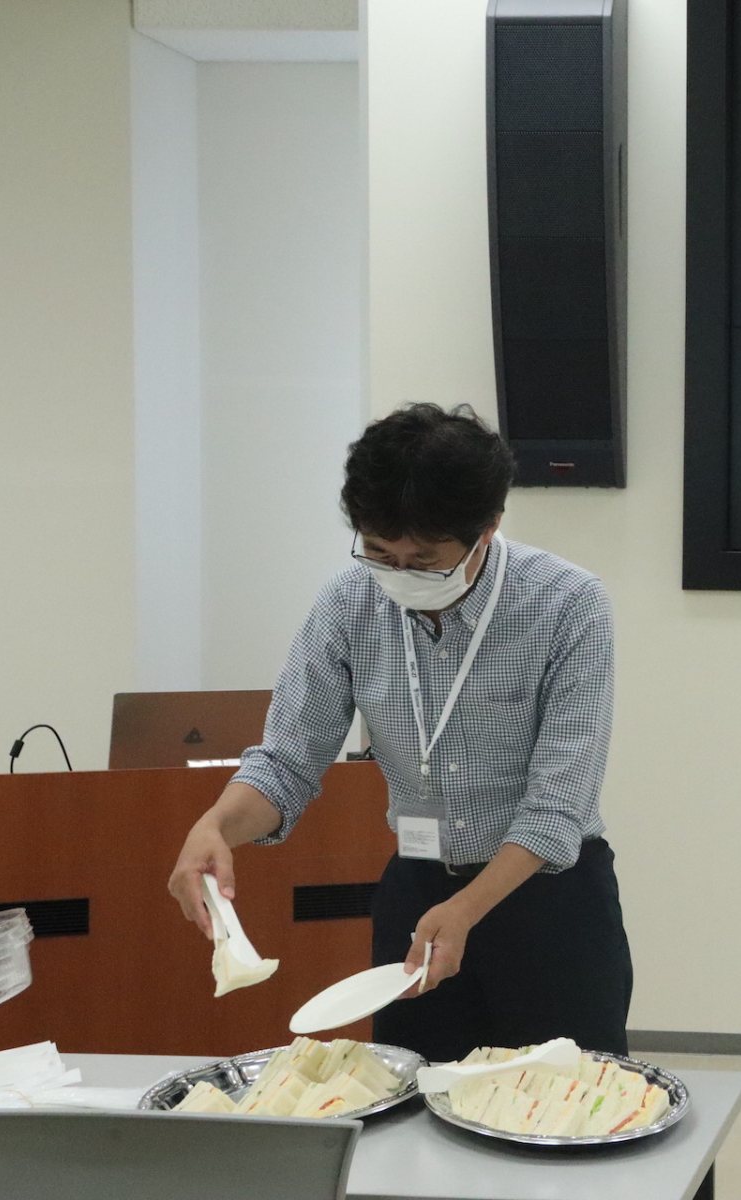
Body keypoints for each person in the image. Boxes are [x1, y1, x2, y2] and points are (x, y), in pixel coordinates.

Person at [167, 403, 631, 1062]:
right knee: (412, 1097)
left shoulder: (566, 605)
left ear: (488, 529)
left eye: (425, 560)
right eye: (381, 554)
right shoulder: (349, 603)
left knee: (563, 1101)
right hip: (419, 894)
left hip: (548, 900)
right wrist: (216, 826)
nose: (399, 575)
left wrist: (468, 908)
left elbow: (557, 806)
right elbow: (287, 764)